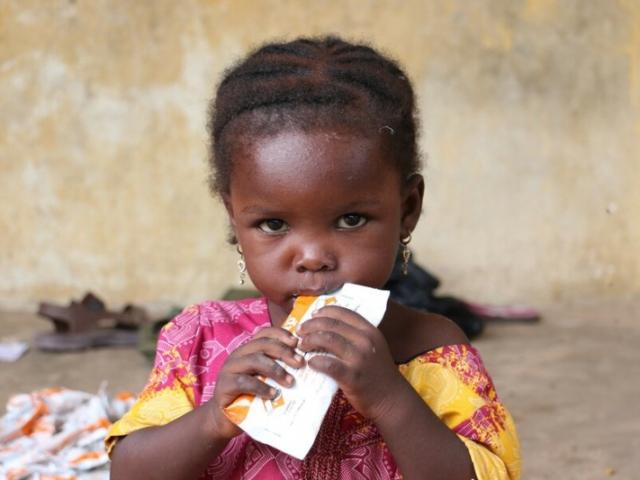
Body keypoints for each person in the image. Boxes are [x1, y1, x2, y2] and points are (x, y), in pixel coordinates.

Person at [107, 36, 520, 480]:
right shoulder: (200, 339)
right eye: (273, 225)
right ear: (234, 220)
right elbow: (129, 472)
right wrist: (213, 420)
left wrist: (388, 397)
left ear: (407, 210)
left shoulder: (433, 350)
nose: (313, 258)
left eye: (350, 219)